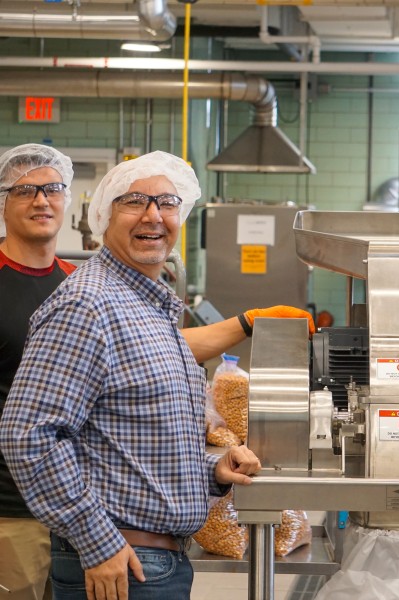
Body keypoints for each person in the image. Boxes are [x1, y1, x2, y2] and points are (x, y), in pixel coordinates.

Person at [0, 151, 265, 600]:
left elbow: (130, 444)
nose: (153, 215)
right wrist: (98, 542)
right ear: (103, 216)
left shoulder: (148, 306)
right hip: (119, 563)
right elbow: (28, 435)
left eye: (167, 202)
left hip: (154, 561)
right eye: (134, 201)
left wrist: (211, 472)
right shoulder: (88, 304)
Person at [0, 143, 76, 600]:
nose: (42, 200)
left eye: (52, 189)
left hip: (76, 510)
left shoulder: (75, 283)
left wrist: (243, 324)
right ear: (3, 202)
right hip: (9, 512)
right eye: (25, 191)